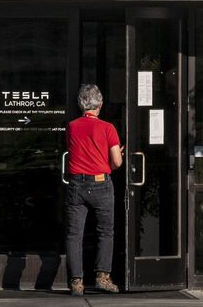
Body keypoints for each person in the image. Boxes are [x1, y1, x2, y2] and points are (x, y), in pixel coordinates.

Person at [64, 83, 122, 296]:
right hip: (101, 184)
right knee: (105, 232)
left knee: (74, 235)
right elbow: (116, 162)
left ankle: (76, 281)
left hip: (76, 185)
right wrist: (116, 155)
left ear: (81, 104)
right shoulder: (108, 128)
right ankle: (102, 277)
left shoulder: (71, 126)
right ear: (101, 104)